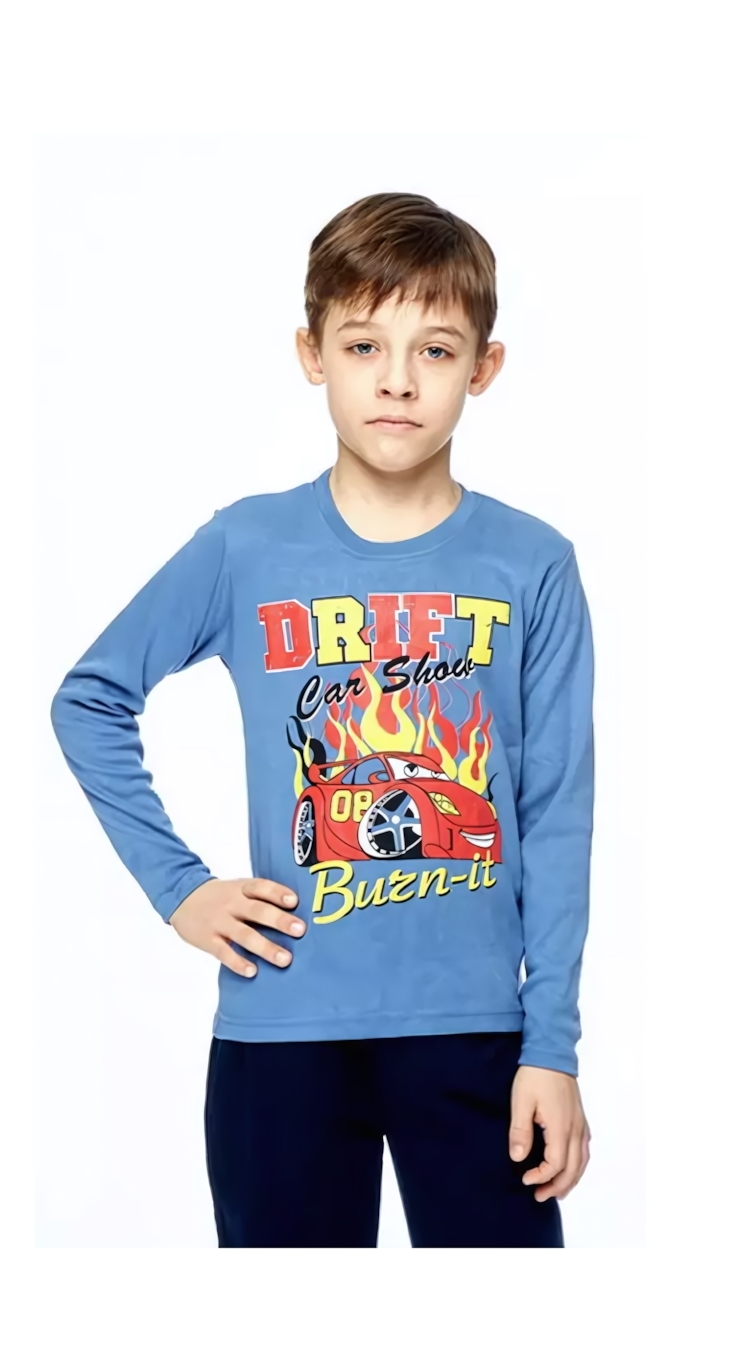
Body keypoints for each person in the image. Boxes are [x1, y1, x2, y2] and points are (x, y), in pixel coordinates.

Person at [50, 191, 594, 1248]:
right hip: (284, 1026)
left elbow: (557, 812)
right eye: (363, 344)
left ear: (483, 368)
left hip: (479, 1031)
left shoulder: (533, 564)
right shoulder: (245, 547)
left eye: (435, 349)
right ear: (313, 354)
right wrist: (180, 887)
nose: (397, 380)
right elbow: (91, 699)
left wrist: (553, 1045)